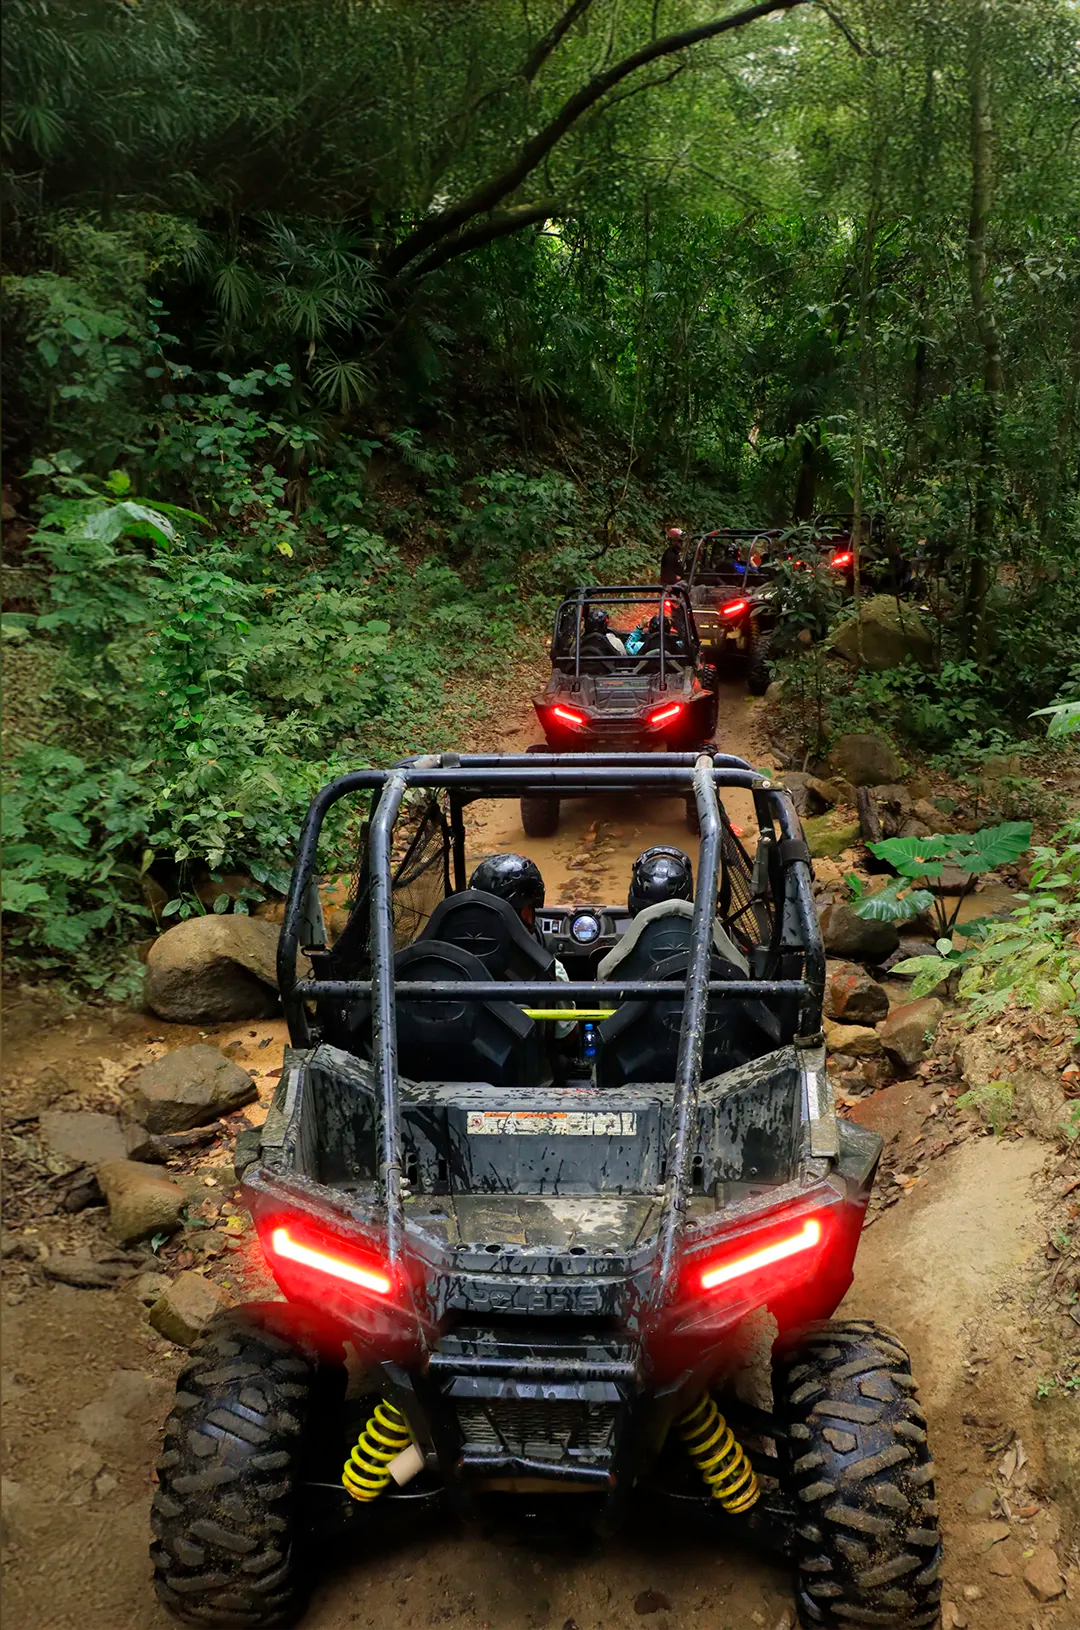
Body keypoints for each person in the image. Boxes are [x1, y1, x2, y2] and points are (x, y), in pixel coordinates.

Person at [598, 846, 749, 980]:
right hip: (711, 1010)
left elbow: (603, 974)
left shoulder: (620, 956)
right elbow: (743, 971)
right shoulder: (717, 934)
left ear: (633, 900)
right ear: (689, 895)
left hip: (631, 1012)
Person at [469, 854, 575, 1040]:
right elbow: (566, 1037)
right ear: (525, 912)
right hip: (525, 1065)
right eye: (532, 908)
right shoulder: (549, 969)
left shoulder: (444, 958)